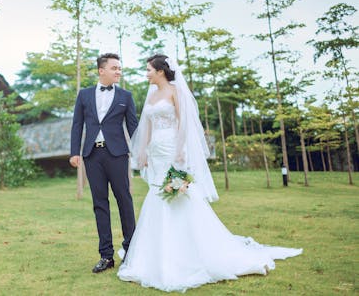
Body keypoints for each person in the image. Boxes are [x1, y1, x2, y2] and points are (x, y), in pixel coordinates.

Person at [117, 54, 302, 292]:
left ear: (161, 71)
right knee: (157, 197)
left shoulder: (176, 92)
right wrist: (142, 152)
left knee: (181, 196)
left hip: (173, 149)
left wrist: (181, 151)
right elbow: (148, 126)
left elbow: (184, 123)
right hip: (156, 154)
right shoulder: (152, 95)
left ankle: (195, 252)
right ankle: (155, 254)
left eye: (149, 69)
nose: (147, 73)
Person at [70, 53, 139, 273]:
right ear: (102, 70)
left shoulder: (126, 96)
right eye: (114, 68)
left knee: (124, 201)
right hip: (92, 155)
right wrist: (74, 152)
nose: (118, 71)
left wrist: (141, 154)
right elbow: (77, 125)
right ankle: (106, 256)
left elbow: (133, 128)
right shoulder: (84, 95)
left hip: (117, 155)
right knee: (100, 204)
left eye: (119, 68)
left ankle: (131, 251)